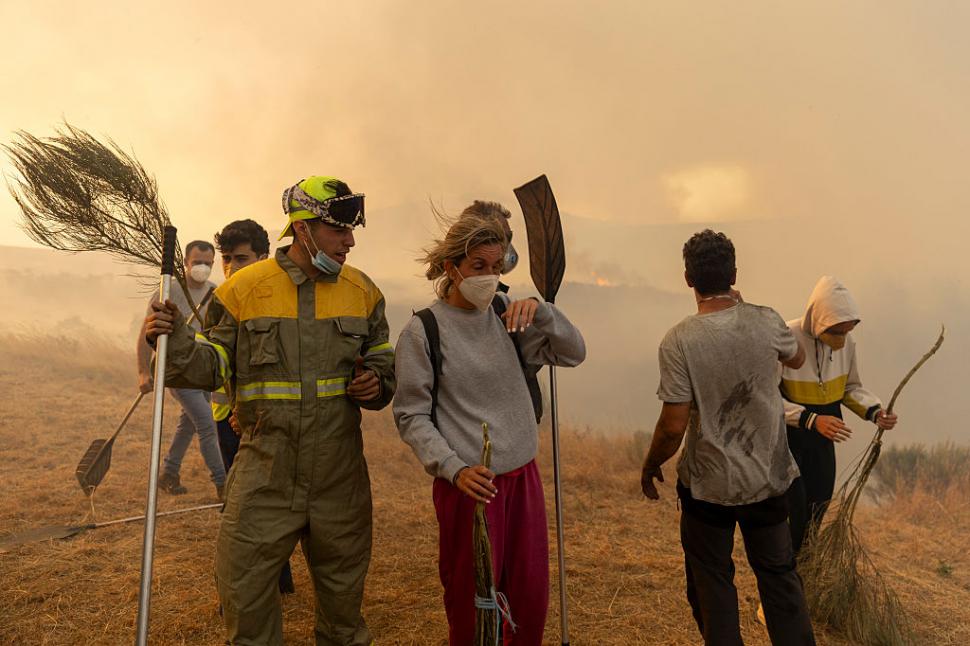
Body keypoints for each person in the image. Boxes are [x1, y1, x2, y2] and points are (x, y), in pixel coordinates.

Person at [145, 176, 395, 645]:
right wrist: (173, 336)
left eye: (351, 230)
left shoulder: (363, 291)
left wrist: (376, 382)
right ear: (302, 229)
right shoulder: (244, 290)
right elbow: (210, 366)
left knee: (344, 616)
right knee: (246, 601)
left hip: (339, 480)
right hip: (264, 473)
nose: (350, 240)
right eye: (338, 229)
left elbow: (383, 361)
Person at [393, 205, 586, 645]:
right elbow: (410, 414)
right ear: (451, 267)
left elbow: (573, 352)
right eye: (477, 266)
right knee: (474, 601)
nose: (487, 276)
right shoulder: (424, 332)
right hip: (470, 487)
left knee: (529, 597)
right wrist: (452, 467)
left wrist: (543, 312)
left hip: (524, 478)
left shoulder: (510, 316)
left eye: (495, 267)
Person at [640, 229, 815, 646]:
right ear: (734, 273)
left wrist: (650, 465)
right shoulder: (766, 319)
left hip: (708, 487)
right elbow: (797, 357)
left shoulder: (679, 341)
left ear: (688, 279)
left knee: (713, 584)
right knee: (779, 578)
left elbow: (672, 426)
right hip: (768, 479)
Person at [208, 218, 296, 595]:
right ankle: (253, 587)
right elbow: (213, 368)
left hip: (266, 424)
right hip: (226, 421)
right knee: (239, 505)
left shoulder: (277, 302)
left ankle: (276, 580)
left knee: (274, 505)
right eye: (226, 259)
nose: (231, 267)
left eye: (241, 258)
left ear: (263, 256)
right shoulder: (221, 303)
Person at [781, 276, 898, 555]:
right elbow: (768, 399)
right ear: (819, 321)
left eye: (846, 332)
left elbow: (850, 387)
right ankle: (780, 584)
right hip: (789, 440)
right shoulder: (786, 338)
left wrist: (875, 411)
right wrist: (811, 420)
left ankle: (805, 578)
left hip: (824, 442)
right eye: (836, 332)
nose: (841, 340)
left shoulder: (847, 345)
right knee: (791, 514)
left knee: (818, 507)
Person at [137, 239, 226, 498]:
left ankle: (169, 473)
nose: (203, 267)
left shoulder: (214, 292)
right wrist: (143, 371)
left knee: (188, 424)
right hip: (176, 371)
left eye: (208, 263)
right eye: (197, 262)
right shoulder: (169, 291)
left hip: (202, 371)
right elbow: (145, 333)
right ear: (185, 263)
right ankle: (223, 484)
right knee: (207, 425)